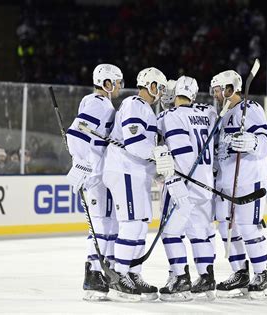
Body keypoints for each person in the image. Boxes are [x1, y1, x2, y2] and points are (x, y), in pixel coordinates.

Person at [102, 67, 169, 302]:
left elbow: (143, 149)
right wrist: (158, 154)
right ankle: (119, 277)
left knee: (141, 224)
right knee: (131, 223)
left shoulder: (147, 110)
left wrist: (157, 168)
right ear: (150, 85)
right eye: (158, 87)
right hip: (125, 170)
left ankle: (133, 272)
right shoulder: (134, 103)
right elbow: (133, 143)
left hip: (137, 172)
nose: (160, 92)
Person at [211, 70, 267, 300]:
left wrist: (252, 141)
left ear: (229, 89)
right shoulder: (224, 116)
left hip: (249, 179)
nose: (216, 95)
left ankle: (261, 275)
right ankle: (240, 273)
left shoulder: (250, 109)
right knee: (226, 227)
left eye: (218, 90)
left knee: (248, 227)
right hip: (226, 182)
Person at [65, 64, 123, 301]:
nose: (120, 86)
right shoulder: (97, 103)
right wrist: (82, 164)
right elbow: (75, 134)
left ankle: (104, 269)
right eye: (117, 82)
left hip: (103, 174)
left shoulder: (103, 103)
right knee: (100, 223)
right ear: (107, 84)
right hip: (96, 175)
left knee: (109, 223)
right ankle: (93, 275)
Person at [157, 75, 217, 301]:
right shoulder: (208, 113)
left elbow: (181, 152)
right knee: (199, 233)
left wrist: (173, 180)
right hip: (206, 185)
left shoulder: (170, 116)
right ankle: (206, 278)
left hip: (184, 184)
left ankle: (180, 279)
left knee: (171, 232)